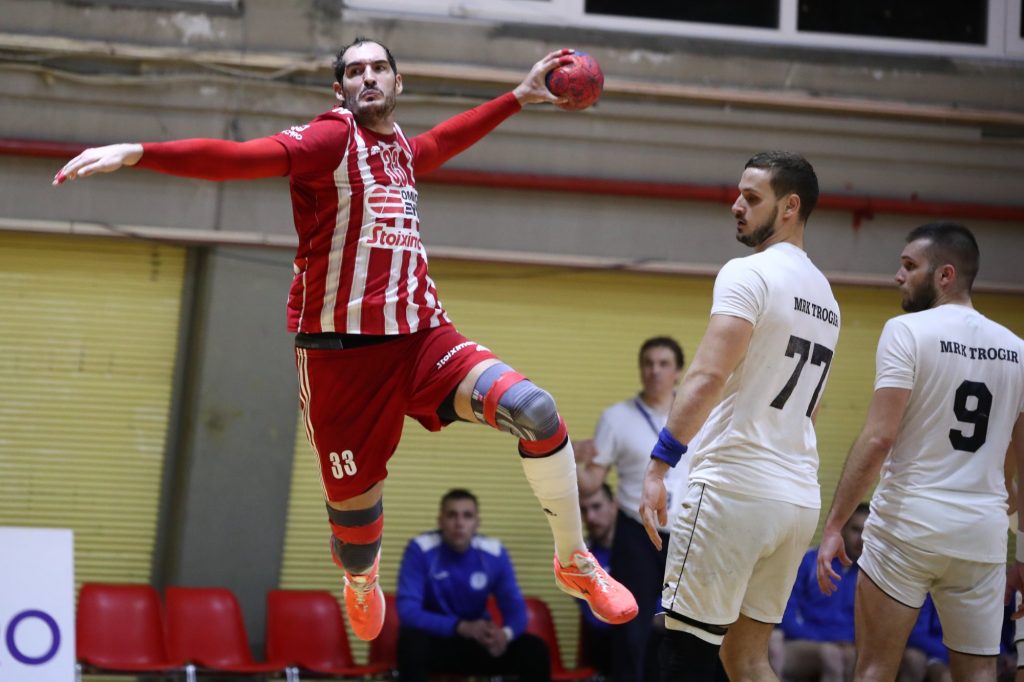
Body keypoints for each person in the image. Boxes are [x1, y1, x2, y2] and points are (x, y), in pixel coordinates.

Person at [53, 38, 637, 640]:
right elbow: (238, 158)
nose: (368, 77)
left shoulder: (400, 149)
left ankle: (573, 561)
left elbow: (441, 142)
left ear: (398, 82)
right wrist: (138, 152)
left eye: (379, 68)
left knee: (535, 411)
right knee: (356, 540)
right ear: (340, 91)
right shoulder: (330, 140)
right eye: (355, 71)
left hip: (422, 340)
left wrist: (517, 96)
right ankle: (361, 578)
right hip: (341, 361)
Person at [640, 150, 839, 682]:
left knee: (683, 653)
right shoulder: (826, 296)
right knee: (747, 661)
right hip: (796, 498)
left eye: (752, 198)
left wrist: (660, 465)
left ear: (790, 207)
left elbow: (706, 376)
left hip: (734, 491)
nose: (736, 205)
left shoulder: (748, 272)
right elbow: (812, 408)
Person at [817, 222, 1024, 681]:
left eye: (909, 266)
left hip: (908, 525)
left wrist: (833, 524)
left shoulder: (906, 331)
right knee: (979, 673)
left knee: (874, 668)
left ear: (945, 274)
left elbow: (878, 438)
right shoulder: (1018, 350)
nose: (898, 275)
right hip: (981, 535)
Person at [576, 335, 687, 680]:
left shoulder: (697, 413)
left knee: (693, 626)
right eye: (648, 363)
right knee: (630, 625)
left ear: (678, 372)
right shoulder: (616, 417)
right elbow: (590, 483)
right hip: (636, 532)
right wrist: (563, 454)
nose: (655, 371)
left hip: (688, 533)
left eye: (664, 364)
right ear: (640, 369)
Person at [396, 488, 551, 681]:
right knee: (411, 643)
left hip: (478, 643)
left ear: (477, 522)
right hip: (437, 641)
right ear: (440, 521)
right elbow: (408, 612)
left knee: (534, 649)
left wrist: (505, 635)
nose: (459, 523)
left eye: (467, 516)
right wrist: (459, 626)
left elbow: (515, 607)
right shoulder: (420, 549)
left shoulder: (494, 553)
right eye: (452, 515)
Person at [780, 503, 869, 682]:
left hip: (846, 647)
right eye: (856, 530)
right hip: (801, 642)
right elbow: (786, 616)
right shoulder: (809, 562)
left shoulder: (872, 575)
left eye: (867, 533)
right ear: (841, 529)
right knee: (833, 656)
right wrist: (828, 641)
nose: (861, 539)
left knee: (856, 659)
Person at [577, 482, 617, 675]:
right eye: (584, 510)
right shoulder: (581, 559)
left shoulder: (641, 551)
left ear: (614, 506)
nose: (590, 517)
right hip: (607, 644)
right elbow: (596, 617)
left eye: (596, 506)